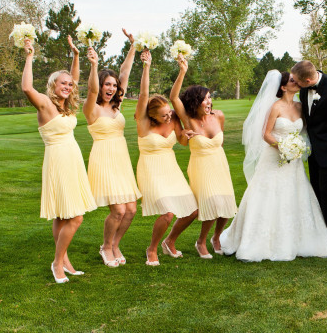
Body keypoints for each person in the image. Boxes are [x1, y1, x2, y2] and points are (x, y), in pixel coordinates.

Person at [219, 70, 327, 261]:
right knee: (268, 195)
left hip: (294, 162)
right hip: (274, 158)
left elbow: (305, 131)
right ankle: (259, 240)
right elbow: (265, 134)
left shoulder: (301, 107)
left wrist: (297, 147)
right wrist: (282, 147)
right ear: (283, 87)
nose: (296, 82)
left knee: (295, 194)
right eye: (292, 80)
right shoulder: (275, 107)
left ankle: (299, 239)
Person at [21, 37, 97, 283]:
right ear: (53, 85)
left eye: (69, 84)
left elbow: (73, 79)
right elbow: (26, 89)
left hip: (72, 160)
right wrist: (29, 56)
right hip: (58, 161)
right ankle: (57, 263)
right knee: (75, 217)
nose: (67, 86)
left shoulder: (67, 107)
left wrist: (75, 56)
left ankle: (64, 261)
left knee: (64, 216)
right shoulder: (44, 104)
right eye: (62, 83)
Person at [169, 54, 237, 259]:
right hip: (200, 165)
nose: (209, 102)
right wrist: (182, 72)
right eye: (205, 98)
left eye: (210, 98)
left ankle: (216, 237)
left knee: (225, 205)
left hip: (219, 162)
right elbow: (174, 98)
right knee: (206, 205)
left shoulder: (219, 116)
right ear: (195, 102)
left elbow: (221, 142)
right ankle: (199, 241)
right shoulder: (188, 120)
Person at [84, 29, 142, 268]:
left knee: (130, 210)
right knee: (117, 210)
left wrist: (133, 46)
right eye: (106, 84)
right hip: (103, 159)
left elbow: (125, 72)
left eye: (113, 84)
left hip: (121, 159)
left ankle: (116, 243)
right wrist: (93, 64)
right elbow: (90, 91)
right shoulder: (92, 108)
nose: (111, 88)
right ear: (100, 85)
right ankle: (106, 246)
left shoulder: (117, 106)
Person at [135, 51, 199, 265]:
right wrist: (146, 67)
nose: (168, 116)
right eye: (164, 115)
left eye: (169, 113)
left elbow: (181, 141)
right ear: (152, 115)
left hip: (170, 168)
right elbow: (143, 95)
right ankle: (152, 249)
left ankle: (169, 241)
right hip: (151, 169)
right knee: (168, 213)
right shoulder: (144, 124)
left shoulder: (172, 120)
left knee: (192, 210)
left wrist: (187, 134)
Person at [291, 60, 327, 251]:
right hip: (313, 153)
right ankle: (320, 235)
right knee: (316, 195)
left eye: (298, 82)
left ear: (308, 79)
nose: (296, 85)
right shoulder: (304, 89)